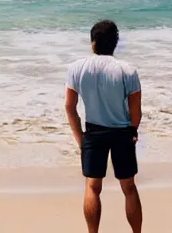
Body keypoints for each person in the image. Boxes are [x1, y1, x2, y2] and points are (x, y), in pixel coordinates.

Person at [65, 20, 143, 233]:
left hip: (93, 131)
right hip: (122, 132)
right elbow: (135, 109)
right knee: (128, 187)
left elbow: (70, 107)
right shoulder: (127, 70)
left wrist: (80, 138)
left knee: (92, 186)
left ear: (93, 42)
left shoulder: (76, 68)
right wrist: (133, 130)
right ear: (115, 43)